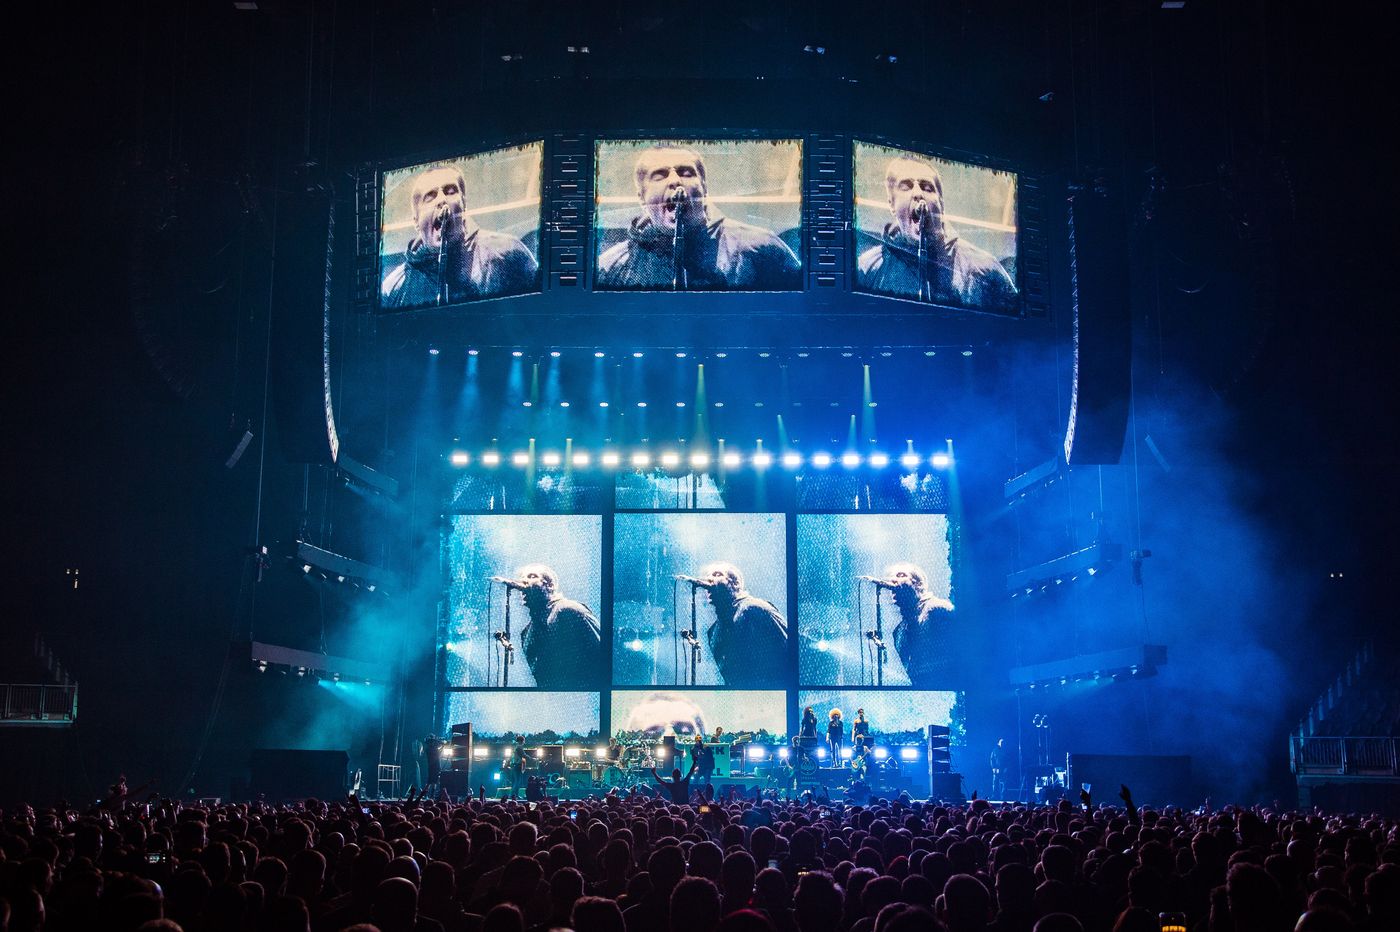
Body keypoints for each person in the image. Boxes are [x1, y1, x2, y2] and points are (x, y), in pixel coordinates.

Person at [596, 145, 802, 291]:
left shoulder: (762, 248)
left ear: (705, 188)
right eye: (659, 175)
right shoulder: (610, 265)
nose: (675, 181)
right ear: (641, 197)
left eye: (686, 173)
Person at [857, 155, 1017, 311]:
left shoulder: (985, 267)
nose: (918, 193)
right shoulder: (867, 268)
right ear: (891, 204)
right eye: (906, 186)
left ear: (941, 204)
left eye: (927, 188)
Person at [381, 164, 539, 308]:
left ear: (464, 205)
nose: (442, 200)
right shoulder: (394, 288)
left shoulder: (508, 253)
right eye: (430, 196)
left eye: (450, 191)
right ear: (416, 221)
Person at [693, 561, 789, 687]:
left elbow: (789, 650)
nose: (709, 579)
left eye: (717, 574)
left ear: (736, 583)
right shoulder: (713, 631)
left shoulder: (755, 609)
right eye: (708, 576)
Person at [512, 563, 602, 689]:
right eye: (522, 578)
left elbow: (602, 654)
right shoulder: (526, 633)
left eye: (532, 576)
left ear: (550, 585)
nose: (523, 581)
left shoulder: (569, 610)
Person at [881, 562, 955, 687]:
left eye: (901, 575)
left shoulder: (939, 609)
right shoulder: (898, 632)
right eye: (892, 577)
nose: (893, 580)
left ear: (919, 583)